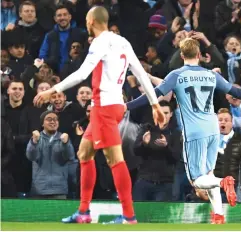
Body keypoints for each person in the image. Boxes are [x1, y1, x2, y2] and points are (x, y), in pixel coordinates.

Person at [33, 6, 164, 224]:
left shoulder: (100, 41)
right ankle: (83, 212)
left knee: (115, 160)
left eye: (86, 19)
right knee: (84, 154)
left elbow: (82, 73)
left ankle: (129, 216)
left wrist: (53, 90)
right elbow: (140, 73)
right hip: (113, 106)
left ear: (91, 20)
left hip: (104, 107)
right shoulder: (122, 41)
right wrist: (155, 104)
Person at [126, 37, 241, 224]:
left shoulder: (177, 75)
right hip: (213, 128)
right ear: (199, 55)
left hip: (194, 131)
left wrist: (127, 106)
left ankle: (223, 182)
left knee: (197, 180)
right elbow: (236, 92)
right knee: (208, 174)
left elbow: (154, 94)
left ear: (182, 55)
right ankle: (218, 215)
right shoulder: (211, 75)